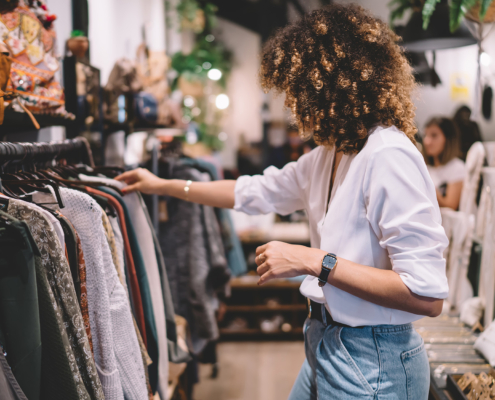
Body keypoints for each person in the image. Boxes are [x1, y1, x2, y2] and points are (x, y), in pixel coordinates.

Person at [116, 5, 448, 400]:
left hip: (373, 359)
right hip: (328, 341)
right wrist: (164, 185)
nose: (292, 106)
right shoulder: (331, 154)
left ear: (330, 88)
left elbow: (426, 295)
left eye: (297, 92)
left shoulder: (388, 156)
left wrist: (312, 260)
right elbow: (252, 191)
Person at [423, 117, 466, 210]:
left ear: (448, 139)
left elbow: (451, 206)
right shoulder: (426, 168)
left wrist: (428, 188)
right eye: (425, 135)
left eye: (434, 135)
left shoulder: (457, 167)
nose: (427, 141)